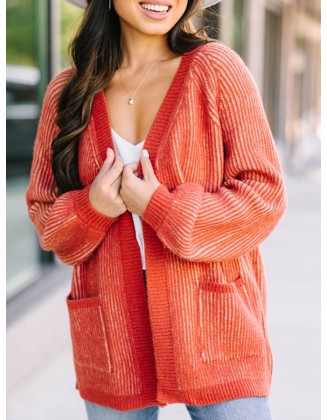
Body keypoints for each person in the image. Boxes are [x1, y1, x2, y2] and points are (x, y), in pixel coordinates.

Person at [25, 0, 288, 419]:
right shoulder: (69, 92)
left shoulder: (216, 69)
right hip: (113, 337)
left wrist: (162, 209)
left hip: (216, 328)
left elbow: (265, 196)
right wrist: (91, 208)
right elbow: (44, 213)